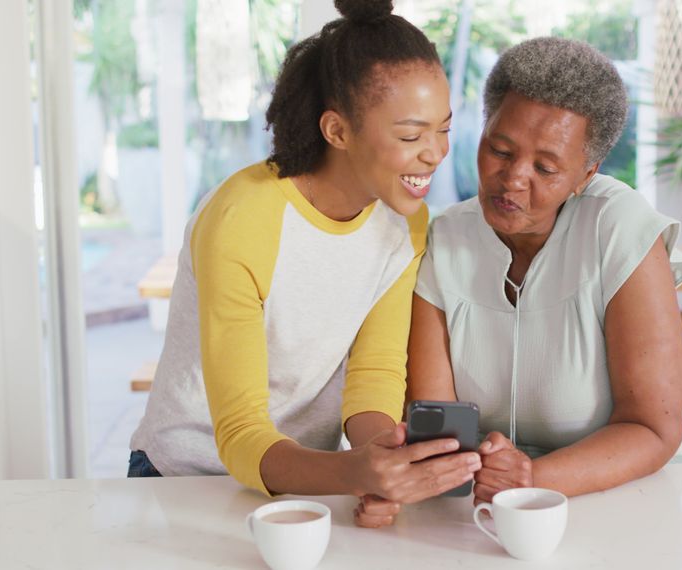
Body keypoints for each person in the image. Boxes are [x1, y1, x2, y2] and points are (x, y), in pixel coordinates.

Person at [129, 0, 480, 528]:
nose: (435, 153)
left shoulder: (404, 222)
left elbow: (375, 371)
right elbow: (242, 432)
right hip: (185, 479)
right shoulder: (242, 220)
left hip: (304, 480)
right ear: (337, 130)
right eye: (411, 136)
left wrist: (385, 458)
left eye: (443, 129)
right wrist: (357, 473)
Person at [408, 37, 682, 504]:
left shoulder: (619, 227)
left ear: (586, 174)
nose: (515, 177)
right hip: (500, 497)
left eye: (546, 167)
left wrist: (530, 478)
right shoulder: (445, 239)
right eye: (500, 149)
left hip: (657, 489)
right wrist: (483, 466)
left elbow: (652, 427)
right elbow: (440, 426)